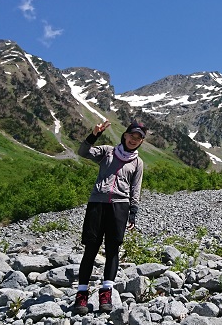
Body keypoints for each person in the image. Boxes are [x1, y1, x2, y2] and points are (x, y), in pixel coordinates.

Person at [71, 119, 146, 315]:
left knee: (113, 250)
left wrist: (133, 212)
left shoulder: (138, 162)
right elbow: (83, 152)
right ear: (125, 135)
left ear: (141, 142)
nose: (134, 140)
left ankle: (106, 293)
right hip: (97, 203)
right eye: (132, 135)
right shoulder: (107, 151)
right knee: (91, 248)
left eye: (138, 138)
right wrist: (93, 135)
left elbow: (135, 188)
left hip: (120, 207)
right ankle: (81, 295)